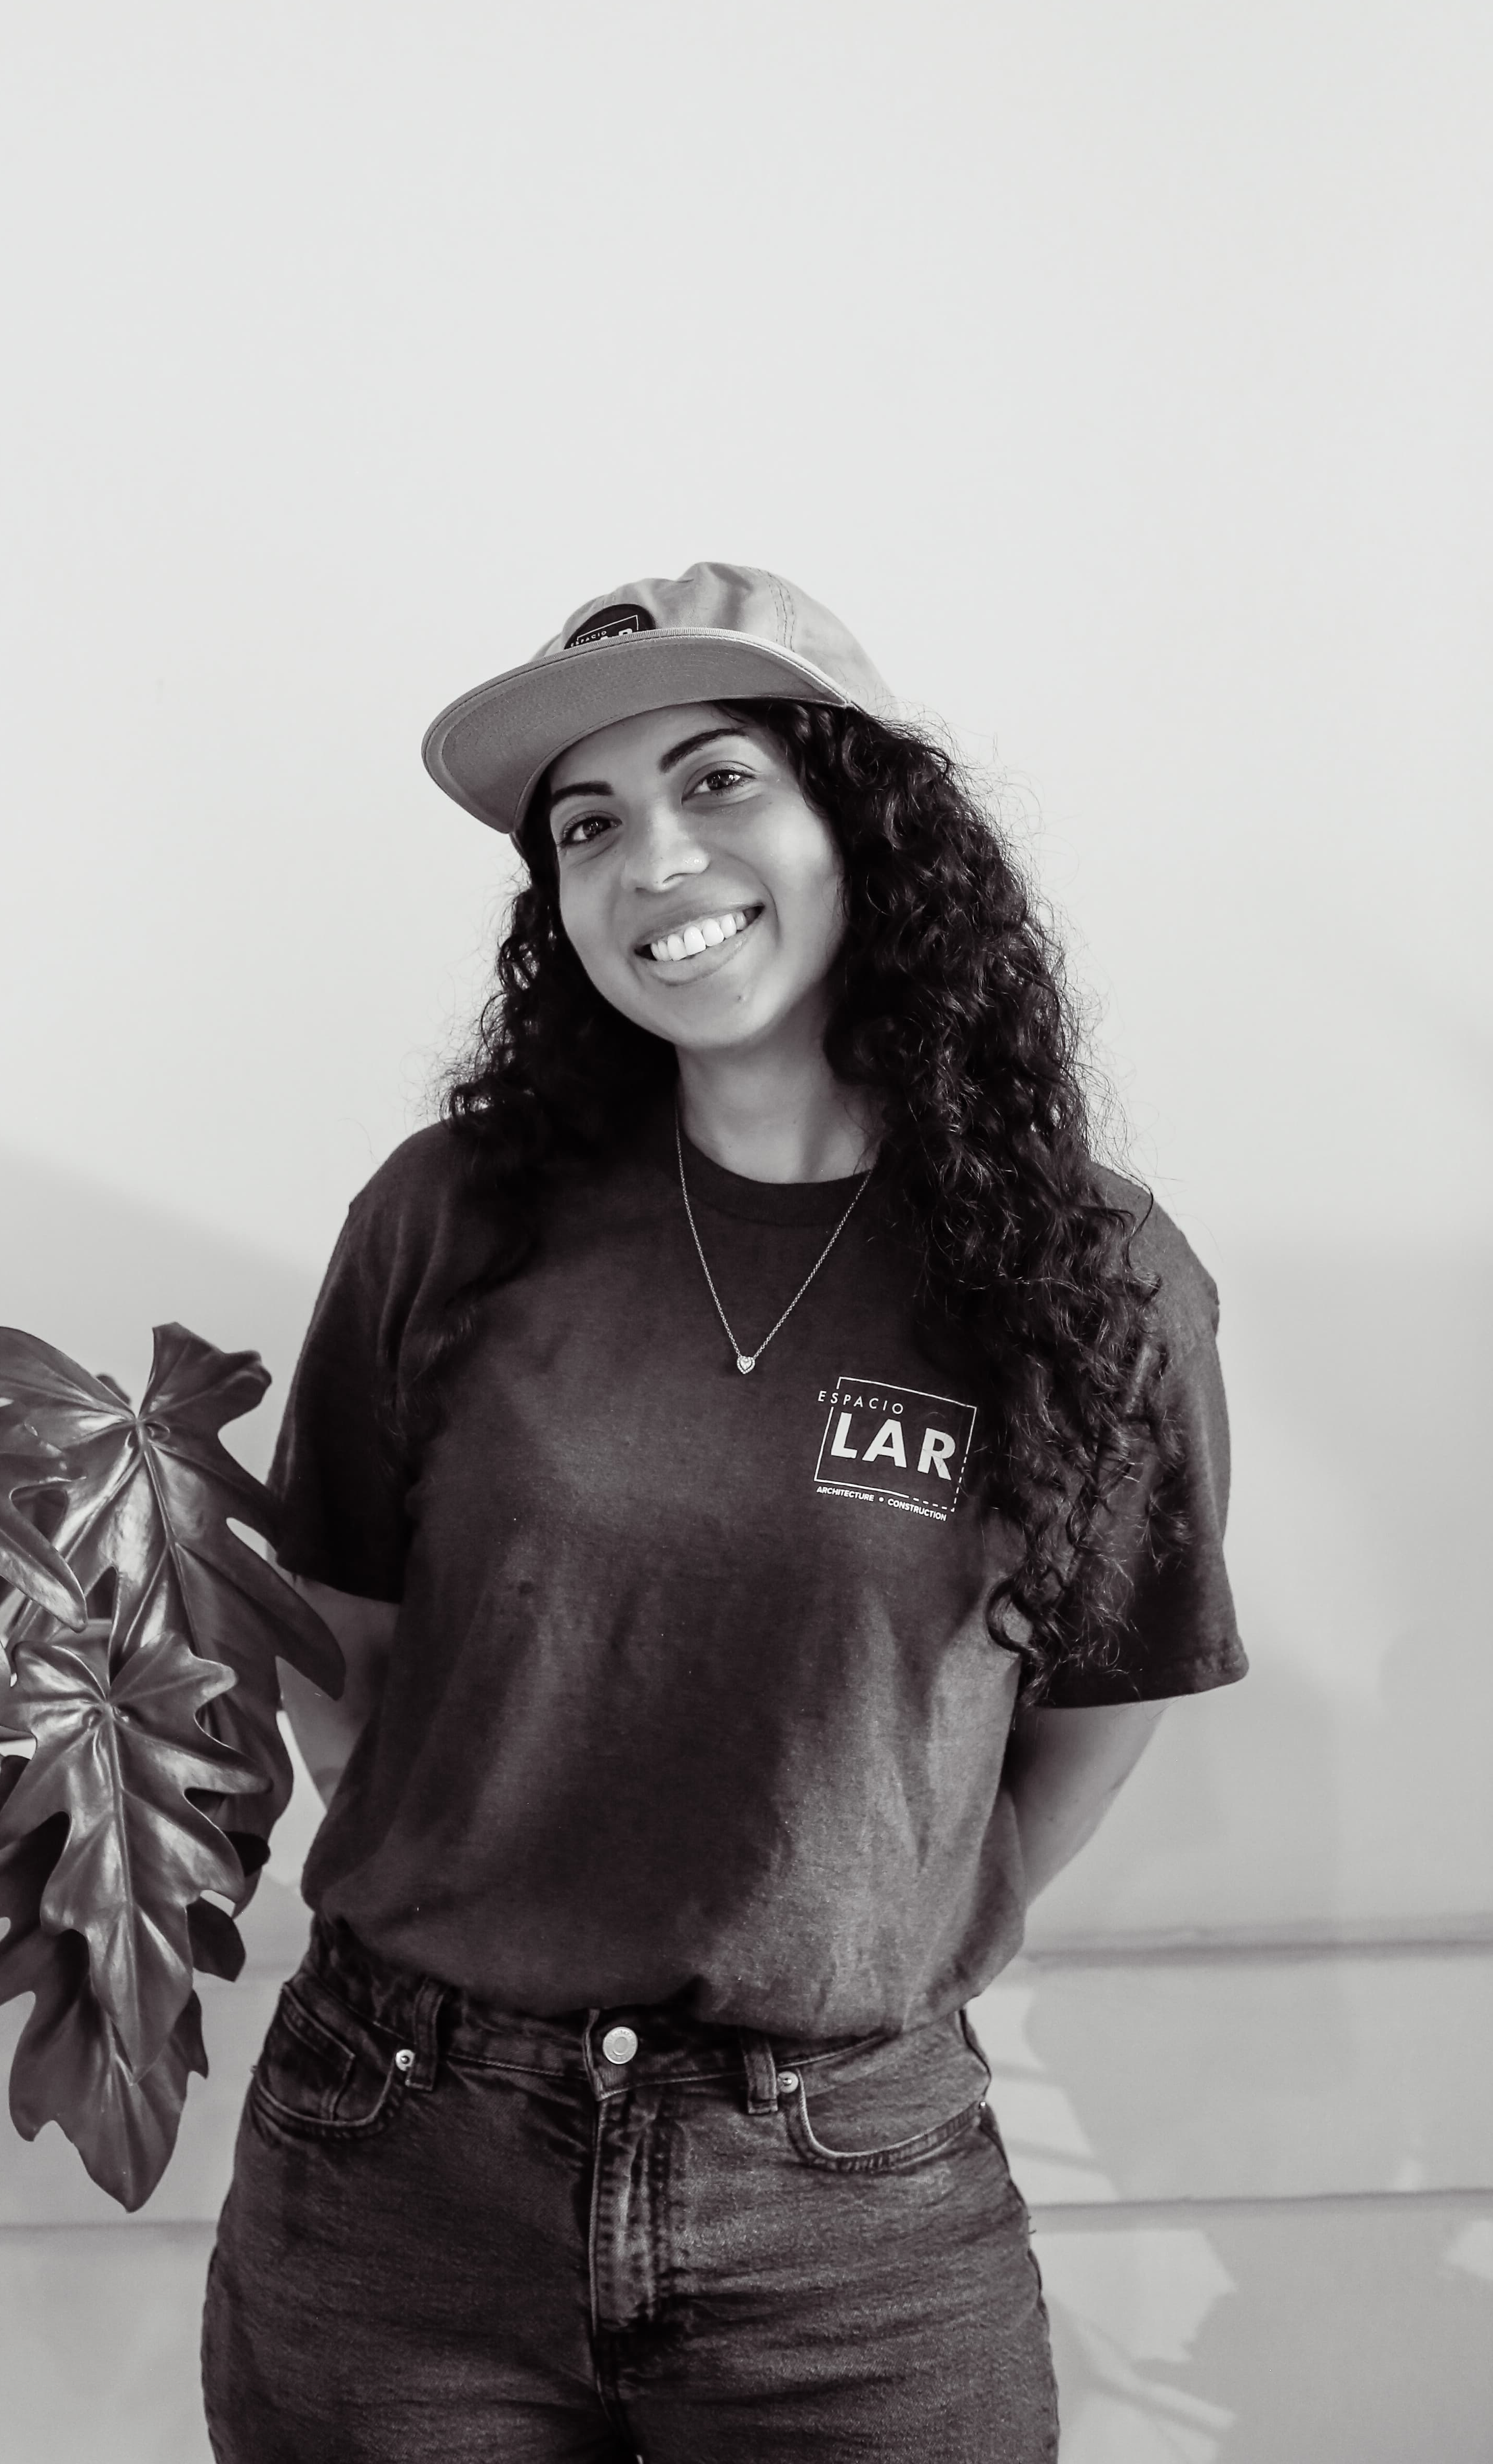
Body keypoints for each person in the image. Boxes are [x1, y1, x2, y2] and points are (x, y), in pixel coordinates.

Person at [202, 563, 1246, 2463]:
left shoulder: (1094, 1278)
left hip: (849, 2207)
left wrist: (889, 1896)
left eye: (719, 781)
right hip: (402, 2169)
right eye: (588, 827)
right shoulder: (449, 1216)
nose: (652, 858)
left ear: (868, 818)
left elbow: (1107, 1685)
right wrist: (481, 1863)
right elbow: (340, 1633)